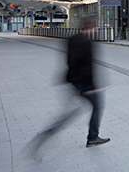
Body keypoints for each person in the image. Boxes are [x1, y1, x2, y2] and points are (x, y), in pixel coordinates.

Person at [29, 23, 110, 154]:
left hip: (74, 81)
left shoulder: (73, 38)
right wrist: (92, 86)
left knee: (69, 113)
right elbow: (87, 66)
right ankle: (92, 137)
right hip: (85, 84)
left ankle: (48, 133)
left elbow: (70, 61)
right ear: (92, 27)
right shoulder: (86, 42)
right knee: (97, 107)